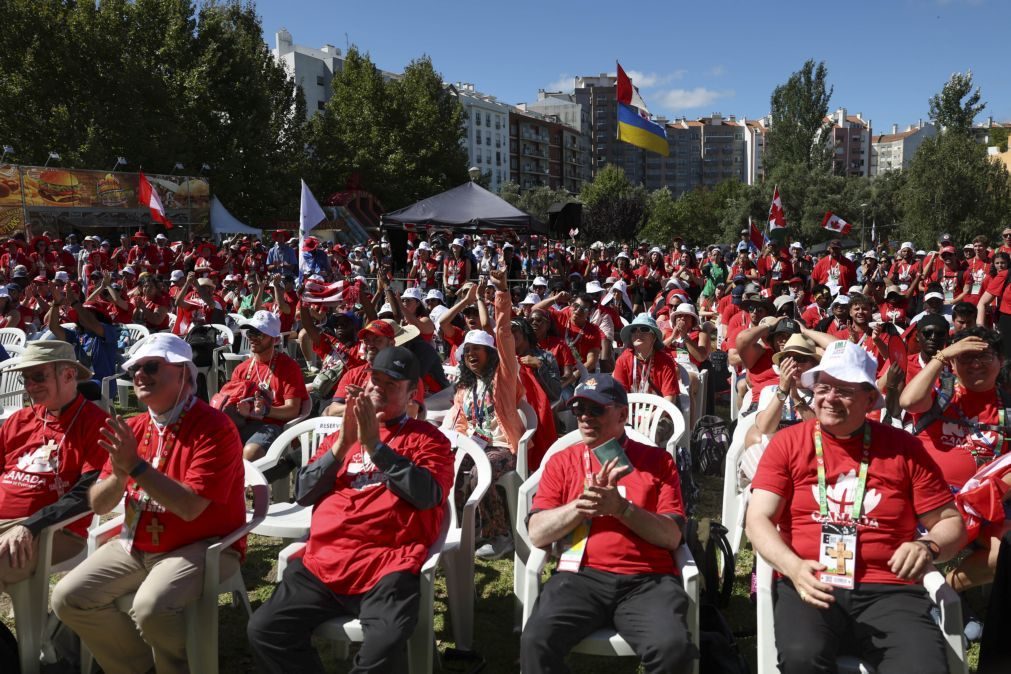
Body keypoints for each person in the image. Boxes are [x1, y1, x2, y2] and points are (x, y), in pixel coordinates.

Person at [745, 340, 967, 674]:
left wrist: (928, 545)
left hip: (889, 589)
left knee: (923, 667)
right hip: (811, 582)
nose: (830, 398)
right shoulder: (788, 442)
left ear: (868, 398)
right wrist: (792, 567)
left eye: (844, 390)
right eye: (823, 388)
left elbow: (950, 522)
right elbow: (757, 519)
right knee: (801, 658)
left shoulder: (904, 449)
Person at [246, 346, 453, 673]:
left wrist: (376, 447)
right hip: (324, 560)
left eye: (392, 385)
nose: (378, 389)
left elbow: (428, 495)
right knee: (265, 630)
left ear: (412, 394)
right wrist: (343, 444)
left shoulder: (429, 439)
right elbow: (303, 492)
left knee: (383, 647)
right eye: (375, 380)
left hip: (387, 563)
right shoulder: (343, 433)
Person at [52, 334, 246, 674]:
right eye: (135, 369)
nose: (140, 375)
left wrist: (136, 467)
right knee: (68, 598)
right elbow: (99, 505)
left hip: (204, 545)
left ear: (184, 373)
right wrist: (120, 475)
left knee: (150, 606)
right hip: (136, 542)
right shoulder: (135, 427)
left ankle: (181, 666)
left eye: (152, 366)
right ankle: (139, 667)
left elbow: (189, 508)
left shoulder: (215, 427)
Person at [520, 374, 697, 674]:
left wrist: (622, 509)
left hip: (646, 580)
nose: (586, 418)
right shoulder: (562, 461)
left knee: (672, 648)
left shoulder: (657, 462)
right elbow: (537, 533)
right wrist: (580, 507)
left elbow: (671, 537)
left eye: (597, 409)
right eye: (579, 410)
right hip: (580, 577)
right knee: (536, 640)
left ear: (623, 415)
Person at [0, 342, 108, 593]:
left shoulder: (96, 424)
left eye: (38, 376)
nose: (29, 386)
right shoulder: (20, 419)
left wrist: (31, 525)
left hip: (54, 531)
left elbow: (86, 495)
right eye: (25, 378)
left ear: (69, 374)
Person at [447, 268, 524, 560]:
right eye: (468, 351)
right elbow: (461, 419)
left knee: (482, 472)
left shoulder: (503, 378)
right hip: (475, 442)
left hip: (503, 446)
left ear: (491, 354)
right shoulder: (465, 386)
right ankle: (464, 527)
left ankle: (500, 535)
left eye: (478, 350)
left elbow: (503, 333)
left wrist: (501, 293)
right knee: (450, 470)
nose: (471, 355)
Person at [219, 310, 309, 461]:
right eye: (250, 333)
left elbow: (293, 410)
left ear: (275, 340)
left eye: (259, 334)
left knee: (250, 453)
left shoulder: (288, 367)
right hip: (244, 423)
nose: (253, 338)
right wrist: (238, 409)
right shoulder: (241, 369)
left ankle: (252, 484)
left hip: (274, 426)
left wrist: (266, 410)